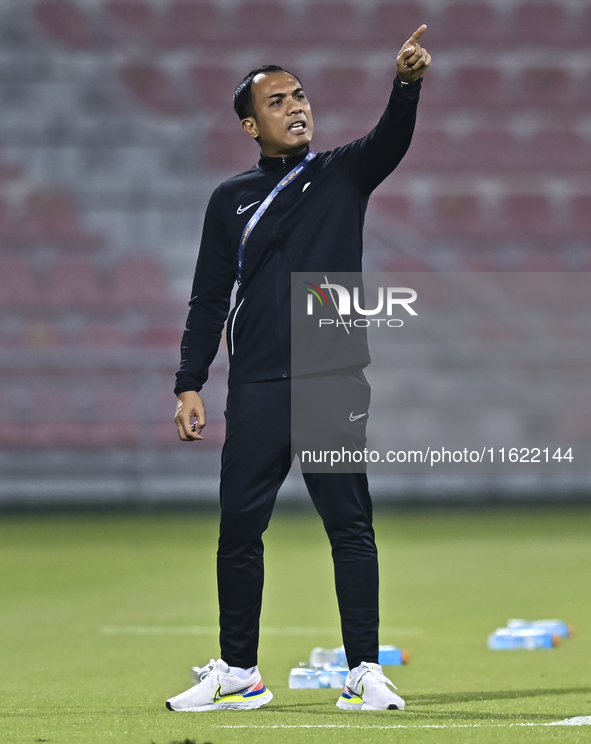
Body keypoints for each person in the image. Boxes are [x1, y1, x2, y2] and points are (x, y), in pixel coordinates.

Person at [166, 26, 431, 713]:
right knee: (238, 530)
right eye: (278, 101)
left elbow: (390, 142)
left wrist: (405, 84)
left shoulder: (342, 171)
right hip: (254, 383)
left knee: (348, 525)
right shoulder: (228, 200)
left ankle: (364, 671)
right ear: (251, 125)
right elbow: (207, 295)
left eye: (300, 95)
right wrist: (188, 381)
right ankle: (237, 672)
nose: (295, 106)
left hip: (330, 378)